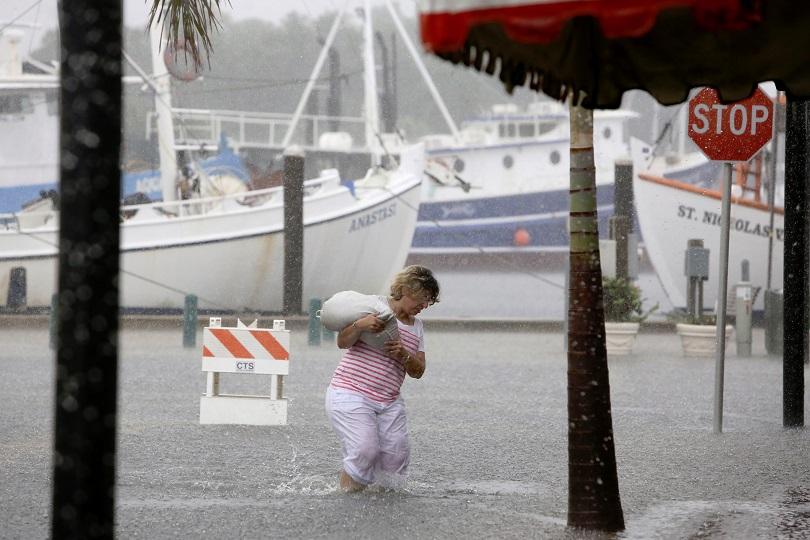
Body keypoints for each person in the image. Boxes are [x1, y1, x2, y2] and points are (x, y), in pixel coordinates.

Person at [325, 265, 440, 492]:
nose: (425, 306)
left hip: (389, 400)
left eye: (429, 301)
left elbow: (418, 371)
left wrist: (404, 354)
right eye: (424, 298)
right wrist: (360, 325)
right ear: (407, 290)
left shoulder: (417, 327)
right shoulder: (373, 308)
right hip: (351, 391)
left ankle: (382, 504)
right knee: (364, 450)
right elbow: (342, 343)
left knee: (396, 457)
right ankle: (349, 500)